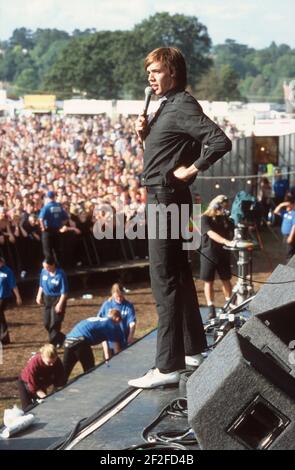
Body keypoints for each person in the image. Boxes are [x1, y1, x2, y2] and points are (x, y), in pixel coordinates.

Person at [128, 47, 232, 389]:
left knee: (164, 278)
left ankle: (167, 365)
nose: (151, 78)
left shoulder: (182, 104)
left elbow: (219, 141)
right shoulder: (167, 107)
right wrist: (146, 135)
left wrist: (193, 168)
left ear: (172, 72)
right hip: (165, 196)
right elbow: (167, 149)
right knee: (178, 274)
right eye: (149, 73)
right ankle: (192, 348)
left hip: (166, 196)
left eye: (156, 71)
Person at [63, 309, 125, 381]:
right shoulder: (110, 324)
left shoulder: (101, 321)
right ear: (117, 319)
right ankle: (90, 388)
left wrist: (108, 361)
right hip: (80, 341)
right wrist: (120, 366)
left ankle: (56, 390)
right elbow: (116, 348)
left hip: (68, 340)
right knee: (90, 370)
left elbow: (105, 344)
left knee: (64, 372)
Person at [199, 195, 235, 318]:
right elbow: (210, 233)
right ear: (216, 205)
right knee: (208, 281)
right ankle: (210, 306)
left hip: (223, 253)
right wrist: (225, 241)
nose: (224, 210)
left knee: (226, 279)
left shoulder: (225, 219)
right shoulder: (205, 218)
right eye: (223, 207)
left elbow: (232, 231)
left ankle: (229, 303)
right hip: (209, 253)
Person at [18, 344, 65, 410]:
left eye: (53, 362)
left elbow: (60, 376)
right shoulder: (34, 363)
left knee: (43, 405)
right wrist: (42, 394)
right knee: (27, 408)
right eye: (49, 362)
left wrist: (57, 389)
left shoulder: (57, 361)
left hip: (41, 381)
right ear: (42, 357)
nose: (52, 364)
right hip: (26, 381)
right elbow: (32, 383)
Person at [36, 257, 68, 347]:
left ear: (53, 265)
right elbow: (41, 285)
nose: (46, 269)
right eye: (44, 267)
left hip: (57, 298)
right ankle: (63, 339)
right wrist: (38, 295)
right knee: (47, 323)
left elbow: (64, 292)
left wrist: (60, 304)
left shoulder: (60, 274)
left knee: (55, 323)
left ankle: (52, 344)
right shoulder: (44, 272)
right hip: (47, 298)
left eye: (47, 267)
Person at [97, 283, 136, 347]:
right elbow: (99, 320)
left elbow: (132, 322)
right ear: (112, 295)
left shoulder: (128, 305)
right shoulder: (106, 304)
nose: (119, 299)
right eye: (117, 297)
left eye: (121, 296)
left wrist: (130, 336)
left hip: (124, 340)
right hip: (110, 342)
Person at [38, 191, 69, 264]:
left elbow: (41, 219)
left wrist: (43, 228)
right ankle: (59, 265)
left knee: (47, 250)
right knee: (57, 249)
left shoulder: (46, 207)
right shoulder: (59, 206)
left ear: (48, 198)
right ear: (54, 197)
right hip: (57, 230)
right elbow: (66, 218)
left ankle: (51, 266)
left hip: (48, 230)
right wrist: (61, 224)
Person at [0, 256, 22, 345]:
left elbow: (13, 285)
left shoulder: (7, 271)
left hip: (3, 297)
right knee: (1, 318)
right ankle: (5, 338)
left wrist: (18, 297)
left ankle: (4, 337)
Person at [274, 193, 295, 261]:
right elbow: (275, 211)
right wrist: (281, 204)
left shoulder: (293, 213)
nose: (286, 207)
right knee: (286, 252)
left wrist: (291, 237)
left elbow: (294, 226)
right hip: (285, 235)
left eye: (288, 205)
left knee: (290, 254)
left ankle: (290, 269)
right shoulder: (286, 213)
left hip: (290, 236)